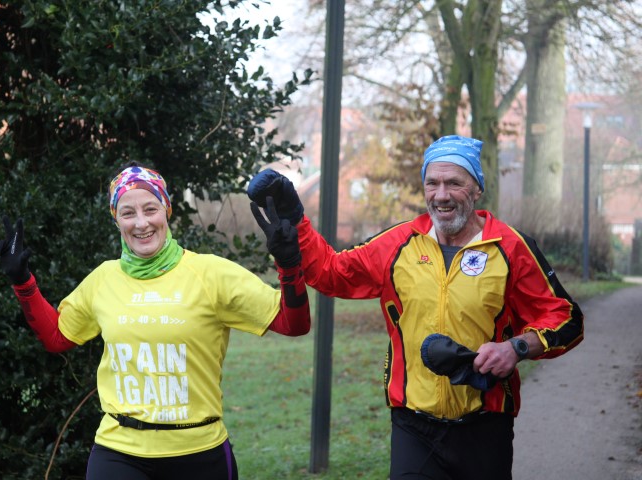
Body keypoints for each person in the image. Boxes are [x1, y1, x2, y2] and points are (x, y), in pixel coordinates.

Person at [247, 135, 584, 480]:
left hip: (486, 427)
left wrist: (516, 348)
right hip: (414, 428)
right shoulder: (398, 244)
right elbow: (330, 272)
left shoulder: (511, 247)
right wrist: (296, 220)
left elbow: (567, 318)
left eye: (454, 183)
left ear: (477, 189)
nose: (441, 195)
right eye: (432, 183)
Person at [0, 163, 311, 480]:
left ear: (166, 210)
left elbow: (293, 324)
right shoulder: (103, 279)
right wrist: (23, 282)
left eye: (150, 209)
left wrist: (289, 264)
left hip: (199, 451)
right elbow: (57, 337)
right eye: (128, 213)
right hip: (118, 451)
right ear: (116, 220)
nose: (141, 223)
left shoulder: (212, 273)